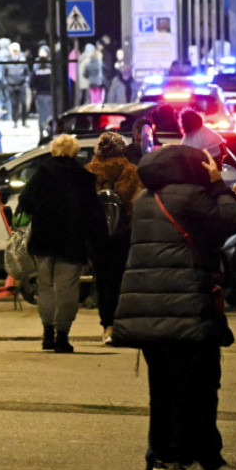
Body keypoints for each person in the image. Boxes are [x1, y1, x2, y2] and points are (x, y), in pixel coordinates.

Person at [112, 144, 236, 470]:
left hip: (149, 310)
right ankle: (194, 460)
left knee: (163, 388)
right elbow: (231, 221)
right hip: (187, 308)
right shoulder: (191, 195)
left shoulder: (143, 199)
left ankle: (163, 460)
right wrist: (221, 188)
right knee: (199, 385)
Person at [18, 134, 108, 353]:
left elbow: (25, 202)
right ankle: (62, 336)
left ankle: (47, 332)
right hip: (72, 241)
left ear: (53, 151)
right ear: (75, 152)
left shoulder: (41, 174)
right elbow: (93, 213)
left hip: (43, 239)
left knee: (45, 286)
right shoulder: (84, 177)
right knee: (67, 289)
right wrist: (99, 243)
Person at [84, 131, 142, 345]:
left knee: (103, 281)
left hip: (97, 237)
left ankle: (107, 325)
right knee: (122, 280)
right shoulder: (132, 172)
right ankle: (122, 324)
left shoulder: (88, 173)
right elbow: (138, 204)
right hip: (123, 235)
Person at [3, 42, 29, 127]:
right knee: (14, 104)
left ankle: (24, 121)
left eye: (16, 50)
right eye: (13, 50)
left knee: (24, 103)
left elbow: (27, 72)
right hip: (11, 85)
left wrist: (26, 82)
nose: (14, 52)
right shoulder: (7, 61)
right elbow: (4, 74)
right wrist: (6, 83)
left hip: (21, 84)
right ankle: (15, 121)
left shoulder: (22, 59)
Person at [31, 45, 54, 135]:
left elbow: (31, 83)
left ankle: (41, 133)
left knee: (41, 115)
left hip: (40, 95)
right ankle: (50, 132)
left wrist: (35, 89)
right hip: (49, 94)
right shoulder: (51, 69)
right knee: (49, 114)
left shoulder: (36, 70)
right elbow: (55, 81)